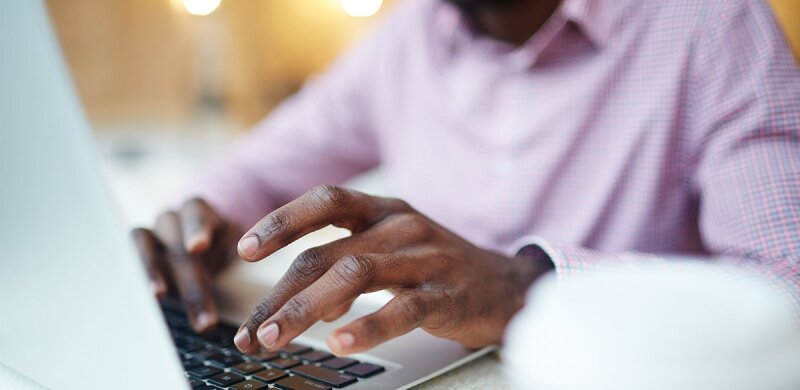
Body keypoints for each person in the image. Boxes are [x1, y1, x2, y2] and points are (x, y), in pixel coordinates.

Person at [132, 0, 800, 357]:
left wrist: (526, 287)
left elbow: (787, 286)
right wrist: (198, 225)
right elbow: (256, 169)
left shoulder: (713, 24)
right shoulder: (408, 35)